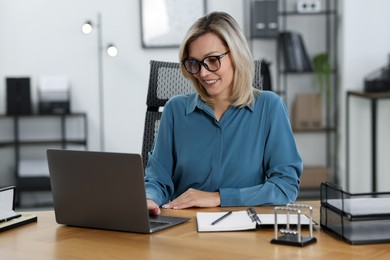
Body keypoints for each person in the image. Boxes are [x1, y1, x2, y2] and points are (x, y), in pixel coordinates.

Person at [145, 11, 302, 215]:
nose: (203, 73)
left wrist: (219, 198)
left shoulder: (269, 107)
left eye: (212, 60)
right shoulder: (175, 110)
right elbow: (158, 178)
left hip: (243, 227)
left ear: (236, 55)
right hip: (184, 227)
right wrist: (150, 198)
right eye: (194, 63)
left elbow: (285, 187)